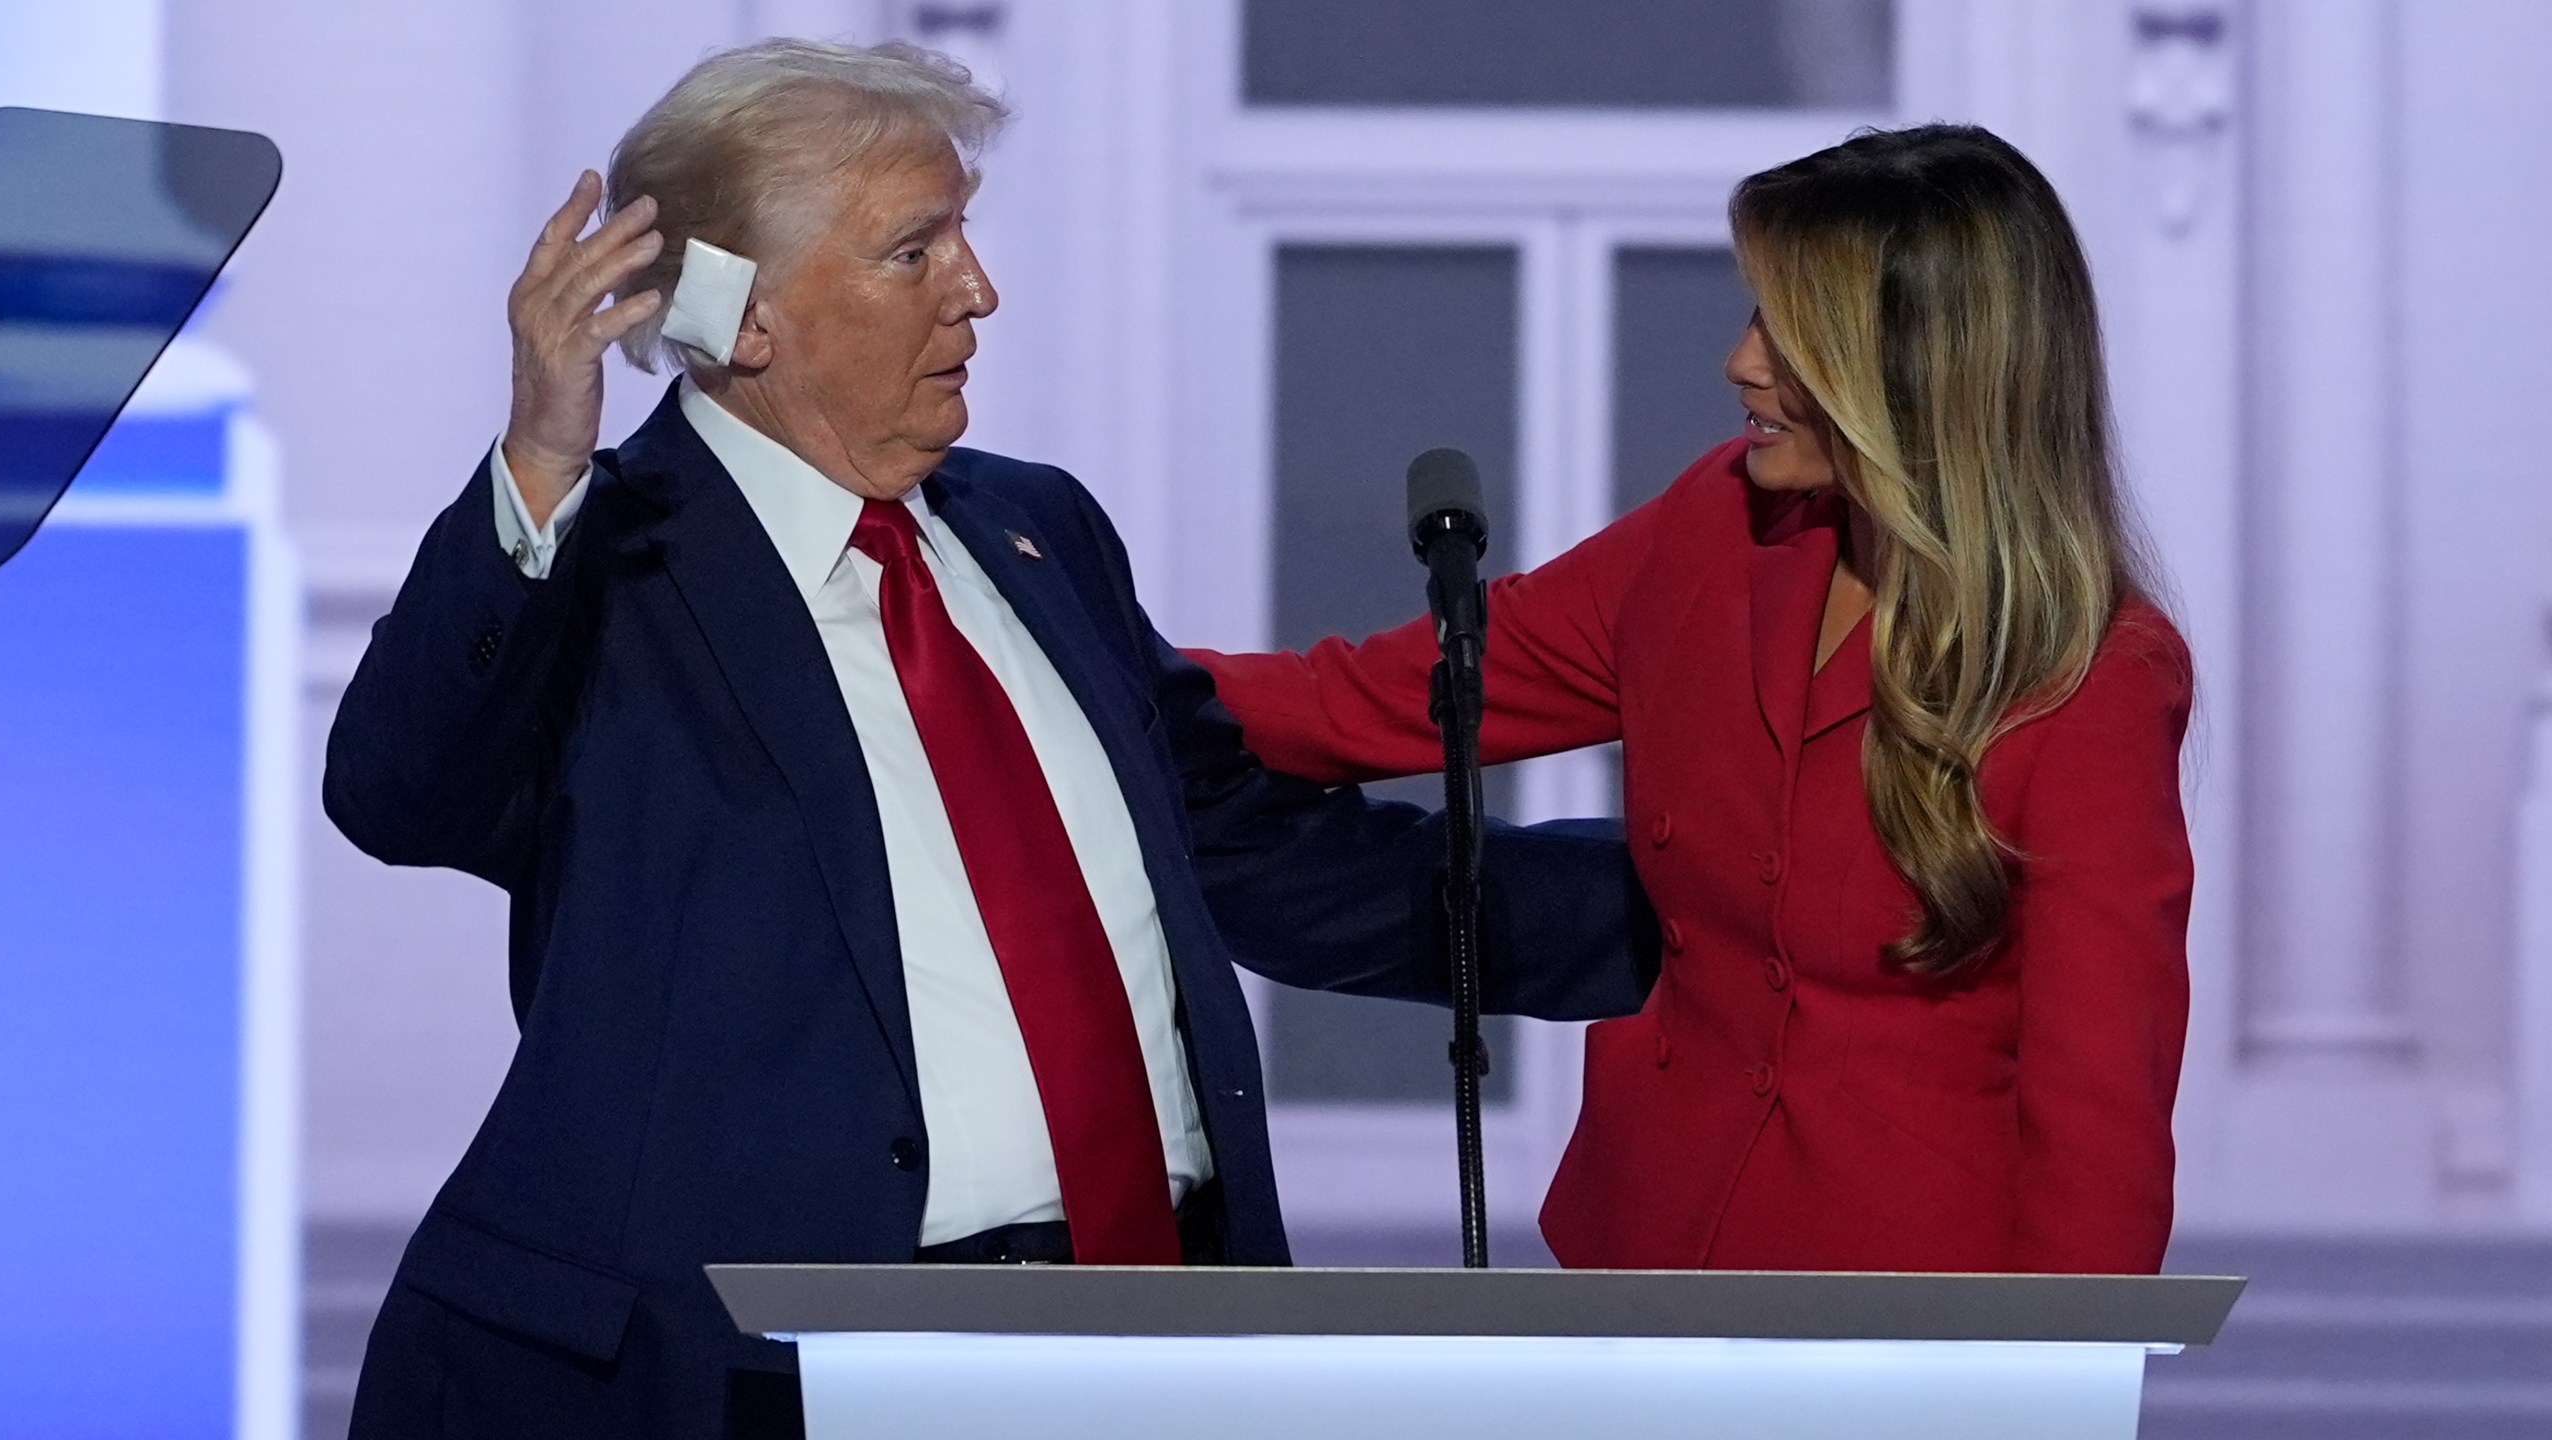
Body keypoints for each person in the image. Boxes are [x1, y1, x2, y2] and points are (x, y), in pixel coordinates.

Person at [327, 40, 1650, 1440]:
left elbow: (1268, 860)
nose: (979, 288)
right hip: (768, 1376)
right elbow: (402, 793)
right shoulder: (607, 565)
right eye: (916, 248)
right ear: (742, 317)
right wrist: (542, 462)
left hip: (1149, 1334)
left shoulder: (1042, 533)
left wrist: (1725, 910)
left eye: (963, 232)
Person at [1193, 124, 2194, 1275]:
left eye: (1786, 330)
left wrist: (2056, 1375)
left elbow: (2098, 1105)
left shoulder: (2092, 676)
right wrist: (1063, 661)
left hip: (1907, 1312)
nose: (1740, 363)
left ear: (1918, 370)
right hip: (1644, 1258)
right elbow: (1382, 699)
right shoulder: (1717, 528)